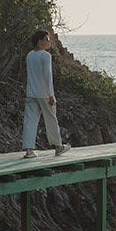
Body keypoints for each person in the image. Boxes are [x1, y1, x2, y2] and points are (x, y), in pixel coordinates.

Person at [22, 30, 71, 158]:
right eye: (47, 39)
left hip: (31, 93)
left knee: (29, 121)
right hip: (44, 94)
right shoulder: (45, 56)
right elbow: (48, 77)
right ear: (40, 42)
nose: (49, 42)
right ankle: (58, 147)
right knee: (51, 120)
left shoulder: (29, 55)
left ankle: (29, 150)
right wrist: (51, 95)